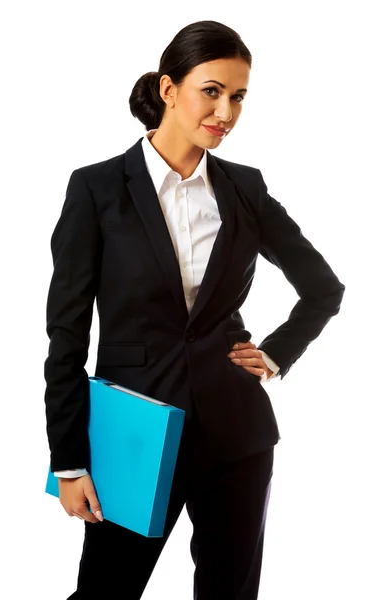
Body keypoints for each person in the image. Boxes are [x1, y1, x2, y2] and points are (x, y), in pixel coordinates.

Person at [44, 20, 345, 600]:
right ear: (168, 89)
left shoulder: (244, 190)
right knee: (105, 591)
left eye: (238, 97)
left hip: (236, 436)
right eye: (212, 91)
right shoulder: (97, 189)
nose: (226, 112)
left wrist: (275, 355)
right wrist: (70, 461)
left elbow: (323, 288)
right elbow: (66, 338)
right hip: (134, 433)